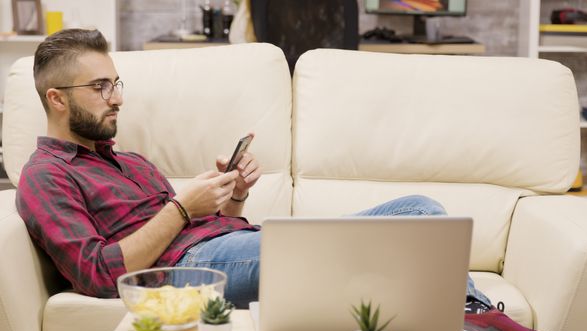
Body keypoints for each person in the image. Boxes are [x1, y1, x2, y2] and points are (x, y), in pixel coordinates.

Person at [16, 29, 491, 311]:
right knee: (407, 235)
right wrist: (182, 209)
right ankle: (483, 324)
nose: (117, 97)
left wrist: (235, 195)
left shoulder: (131, 161)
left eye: (116, 83)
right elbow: (98, 275)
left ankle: (472, 319)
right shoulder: (46, 175)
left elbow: (212, 229)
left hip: (222, 246)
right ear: (56, 99)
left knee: (422, 210)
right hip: (184, 274)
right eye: (100, 86)